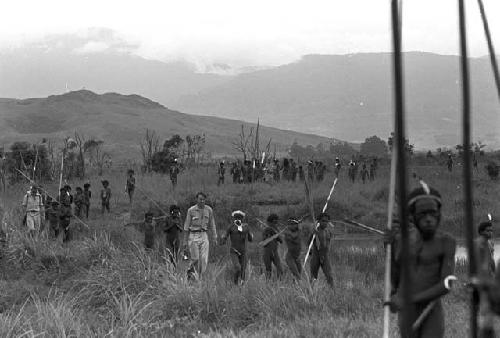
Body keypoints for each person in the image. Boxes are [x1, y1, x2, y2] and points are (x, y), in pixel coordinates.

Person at [385, 185, 456, 338]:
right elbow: (396, 275)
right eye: (423, 214)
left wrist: (409, 299)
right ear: (413, 216)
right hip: (407, 312)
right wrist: (393, 295)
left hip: (431, 310)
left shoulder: (446, 242)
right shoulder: (402, 241)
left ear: (439, 214)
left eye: (432, 213)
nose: (428, 219)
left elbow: (446, 284)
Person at [183, 192, 218, 279]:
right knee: (195, 259)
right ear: (197, 199)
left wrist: (214, 236)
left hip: (203, 235)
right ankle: (189, 272)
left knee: (204, 259)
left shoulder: (209, 210)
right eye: (200, 199)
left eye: (203, 199)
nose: (202, 201)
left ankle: (199, 277)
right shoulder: (191, 210)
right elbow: (186, 227)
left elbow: (212, 224)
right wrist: (185, 241)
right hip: (193, 235)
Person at [220, 210, 253, 284]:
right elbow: (225, 235)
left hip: (243, 251)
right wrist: (223, 238)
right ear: (233, 218)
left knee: (243, 270)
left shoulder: (246, 226)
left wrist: (249, 233)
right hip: (234, 251)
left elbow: (251, 239)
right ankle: (235, 283)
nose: (237, 219)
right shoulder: (231, 227)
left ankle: (242, 286)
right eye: (236, 218)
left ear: (242, 218)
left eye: (239, 218)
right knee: (238, 268)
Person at [309, 212, 334, 286]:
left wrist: (326, 252)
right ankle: (311, 293)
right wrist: (310, 251)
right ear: (319, 221)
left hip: (325, 257)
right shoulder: (315, 231)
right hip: (316, 257)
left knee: (329, 276)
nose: (325, 223)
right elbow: (308, 242)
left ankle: (333, 293)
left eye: (327, 221)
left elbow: (328, 243)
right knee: (313, 277)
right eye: (323, 221)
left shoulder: (328, 231)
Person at [262, 213, 283, 279]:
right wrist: (269, 234)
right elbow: (264, 242)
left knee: (280, 269)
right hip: (267, 253)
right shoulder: (266, 229)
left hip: (275, 252)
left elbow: (281, 241)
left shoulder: (276, 229)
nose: (275, 224)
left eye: (276, 222)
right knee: (268, 270)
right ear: (270, 222)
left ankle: (279, 284)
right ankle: (268, 285)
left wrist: (275, 233)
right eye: (274, 222)